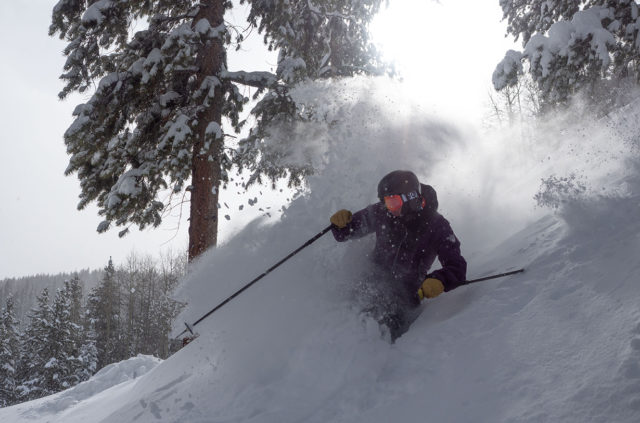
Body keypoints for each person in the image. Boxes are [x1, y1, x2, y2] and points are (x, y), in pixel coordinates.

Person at [330, 170, 467, 340]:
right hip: (370, 280)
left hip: (403, 295)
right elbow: (346, 232)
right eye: (386, 202)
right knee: (340, 311)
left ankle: (373, 357)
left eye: (392, 202)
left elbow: (457, 266)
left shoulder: (437, 226)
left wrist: (439, 280)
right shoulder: (383, 213)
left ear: (410, 199)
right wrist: (341, 224)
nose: (388, 208)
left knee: (373, 328)